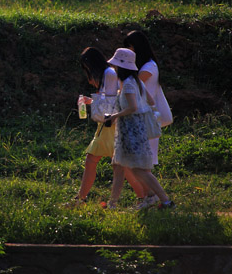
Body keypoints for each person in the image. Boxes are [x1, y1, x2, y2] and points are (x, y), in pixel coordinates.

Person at [66, 47, 145, 207]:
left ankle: (81, 199)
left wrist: (95, 103)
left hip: (110, 123)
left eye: (86, 66)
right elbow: (107, 99)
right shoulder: (108, 74)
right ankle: (144, 197)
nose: (86, 70)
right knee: (120, 165)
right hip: (109, 123)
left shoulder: (108, 74)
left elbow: (110, 102)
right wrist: (90, 100)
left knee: (97, 161)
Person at [103, 47, 174, 210]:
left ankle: (165, 200)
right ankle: (113, 203)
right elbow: (150, 101)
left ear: (120, 67)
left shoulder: (128, 85)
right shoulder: (137, 82)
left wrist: (114, 116)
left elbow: (133, 107)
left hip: (131, 131)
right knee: (121, 167)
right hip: (135, 130)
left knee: (140, 170)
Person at [123, 30, 174, 172]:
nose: (129, 50)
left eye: (130, 47)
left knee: (144, 162)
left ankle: (151, 193)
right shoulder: (145, 66)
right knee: (139, 162)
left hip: (147, 116)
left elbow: (134, 86)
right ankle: (147, 192)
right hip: (142, 115)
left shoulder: (149, 67)